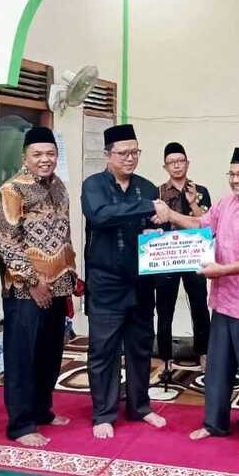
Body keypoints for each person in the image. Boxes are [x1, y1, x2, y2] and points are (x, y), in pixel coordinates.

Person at [159, 147, 239, 458]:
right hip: (223, 300)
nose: (235, 180)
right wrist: (171, 215)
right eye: (232, 174)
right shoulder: (225, 204)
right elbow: (202, 225)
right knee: (217, 367)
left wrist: (221, 270)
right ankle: (215, 423)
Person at [81, 124, 170, 439]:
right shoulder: (93, 185)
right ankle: (103, 413)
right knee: (103, 350)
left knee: (140, 346)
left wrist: (158, 228)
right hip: (106, 282)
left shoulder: (147, 187)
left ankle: (140, 406)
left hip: (141, 281)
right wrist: (148, 208)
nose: (130, 158)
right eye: (123, 153)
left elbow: (157, 224)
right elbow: (101, 216)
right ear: (107, 155)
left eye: (135, 152)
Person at [0, 126, 77, 447]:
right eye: (37, 154)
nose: (45, 159)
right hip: (25, 290)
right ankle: (21, 424)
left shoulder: (59, 186)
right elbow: (8, 243)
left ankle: (42, 409)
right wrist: (33, 281)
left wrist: (70, 276)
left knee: (49, 354)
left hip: (58, 286)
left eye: (50, 154)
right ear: (24, 157)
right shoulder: (11, 190)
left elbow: (65, 235)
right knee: (22, 357)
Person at [155, 142, 212, 373]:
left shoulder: (200, 191)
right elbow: (152, 225)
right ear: (165, 166)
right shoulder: (158, 193)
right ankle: (165, 357)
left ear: (187, 163)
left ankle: (204, 352)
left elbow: (208, 223)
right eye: (172, 162)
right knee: (164, 308)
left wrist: (193, 203)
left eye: (180, 161)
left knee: (199, 305)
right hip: (167, 257)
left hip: (194, 256)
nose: (177, 165)